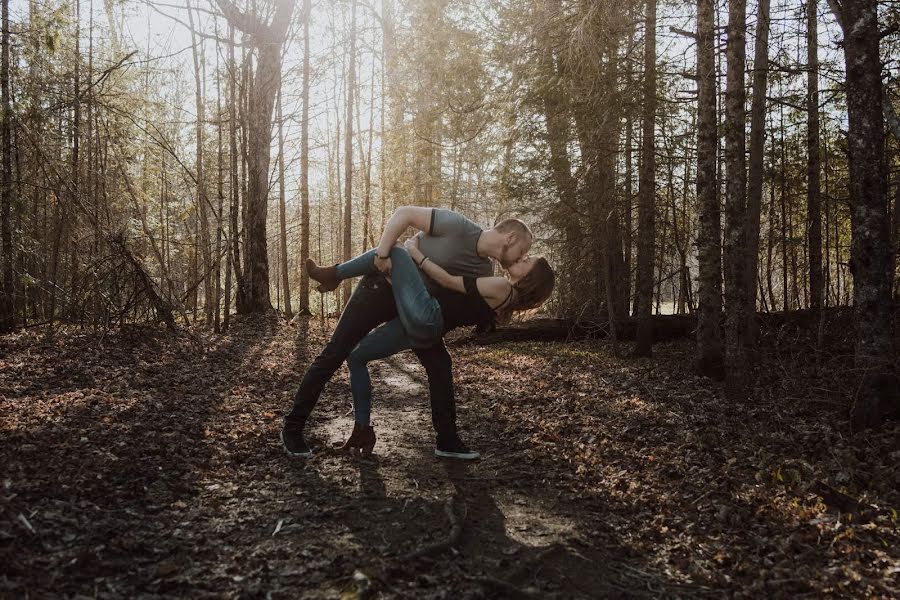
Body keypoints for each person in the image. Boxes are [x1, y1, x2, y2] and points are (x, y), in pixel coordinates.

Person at [281, 206, 533, 460]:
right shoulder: (458, 226)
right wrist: (382, 253)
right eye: (521, 251)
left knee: (440, 365)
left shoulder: (485, 273)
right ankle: (293, 429)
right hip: (380, 291)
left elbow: (454, 301)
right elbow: (404, 214)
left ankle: (447, 441)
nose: (518, 259)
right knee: (336, 352)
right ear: (510, 238)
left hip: (415, 309)